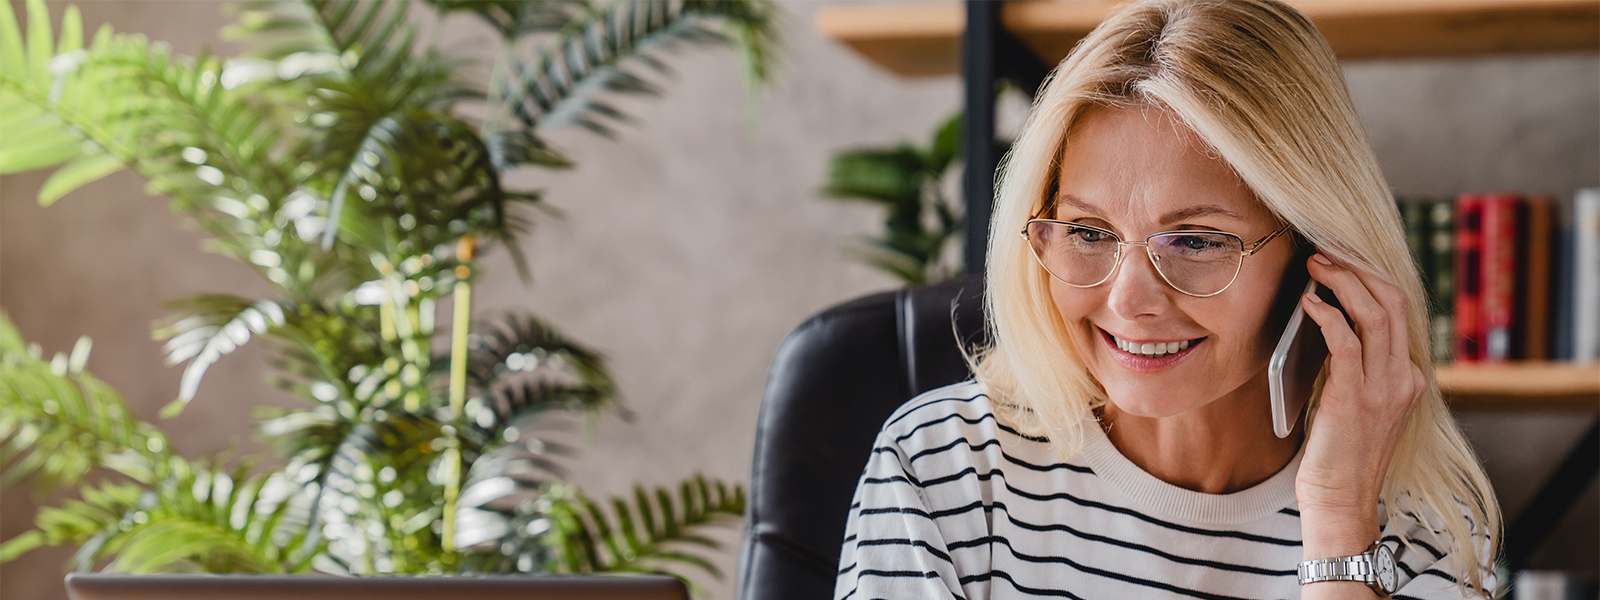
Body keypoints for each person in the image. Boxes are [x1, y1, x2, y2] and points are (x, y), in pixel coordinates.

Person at [833, 0, 1501, 598]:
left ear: (1317, 260)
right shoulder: (942, 471)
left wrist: (1337, 526)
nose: (1128, 300)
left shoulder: (1422, 535)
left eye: (1197, 241)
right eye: (1089, 232)